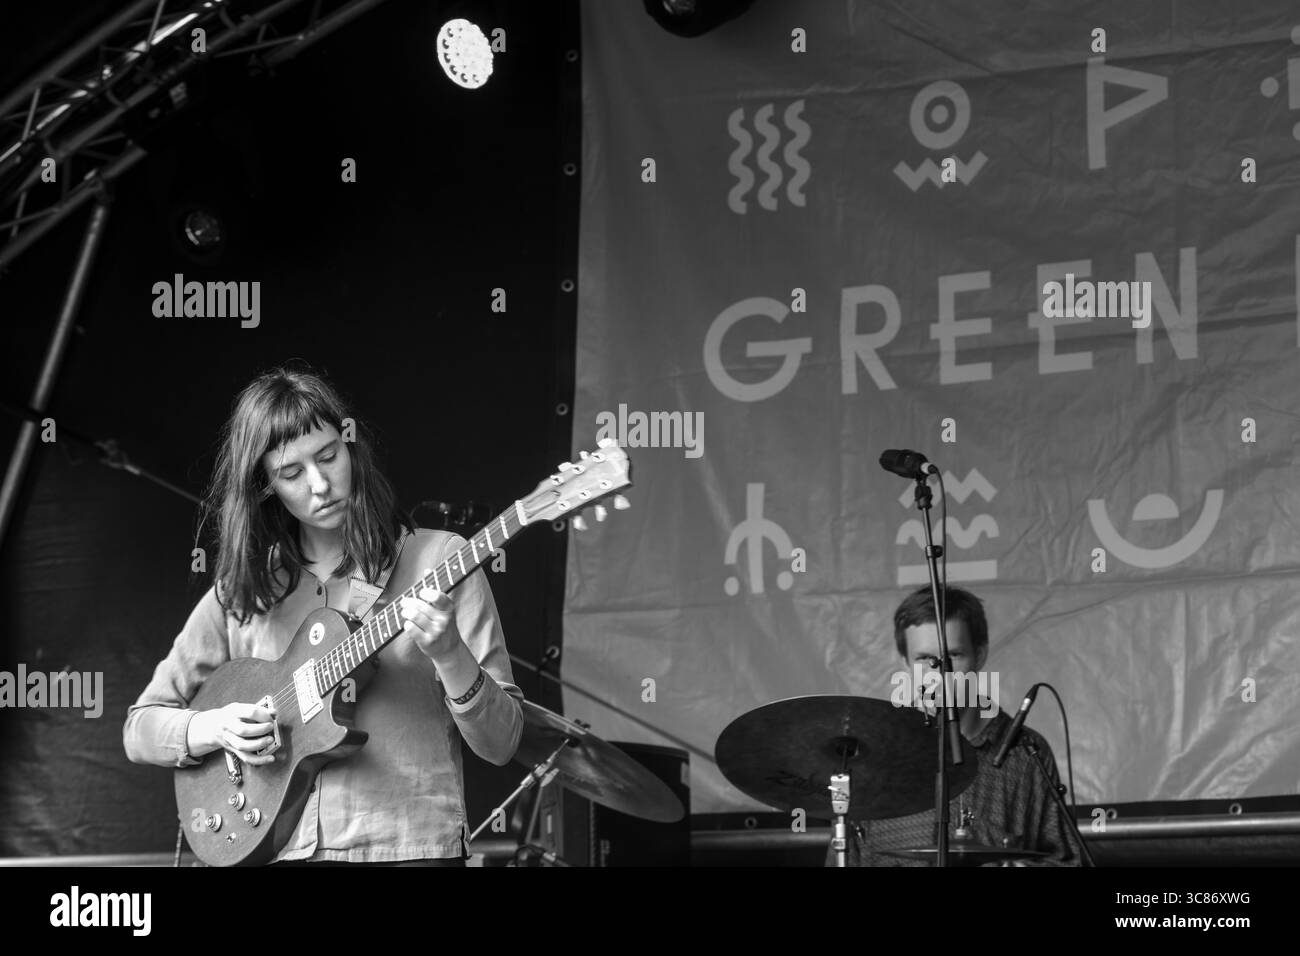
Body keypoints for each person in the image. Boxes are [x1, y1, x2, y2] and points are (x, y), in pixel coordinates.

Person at [123, 367, 523, 865]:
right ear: (265, 487)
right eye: (291, 473)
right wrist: (216, 728)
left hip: (407, 849)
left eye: (329, 455)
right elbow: (140, 729)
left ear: (350, 447)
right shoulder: (244, 590)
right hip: (277, 852)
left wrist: (450, 654)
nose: (320, 484)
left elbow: (503, 743)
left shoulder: (440, 561)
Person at [831, 586, 1084, 867]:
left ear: (980, 654)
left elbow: (1067, 861)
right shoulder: (872, 758)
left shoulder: (1025, 753)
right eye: (925, 660)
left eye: (953, 656)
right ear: (904, 663)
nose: (941, 674)